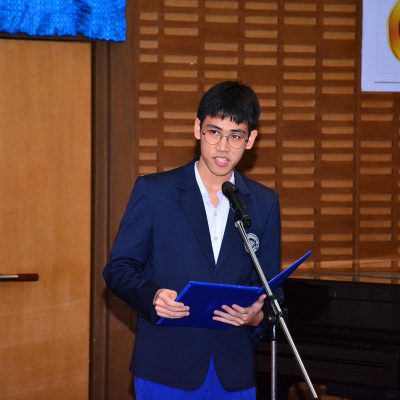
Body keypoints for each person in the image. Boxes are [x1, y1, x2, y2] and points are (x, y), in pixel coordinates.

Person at [103, 81, 281, 399]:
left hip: (233, 371)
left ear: (251, 139)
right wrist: (152, 295)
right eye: (214, 132)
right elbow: (119, 268)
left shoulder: (263, 203)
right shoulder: (155, 192)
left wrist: (257, 317)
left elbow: (270, 287)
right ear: (198, 129)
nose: (223, 147)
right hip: (166, 366)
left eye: (235, 136)